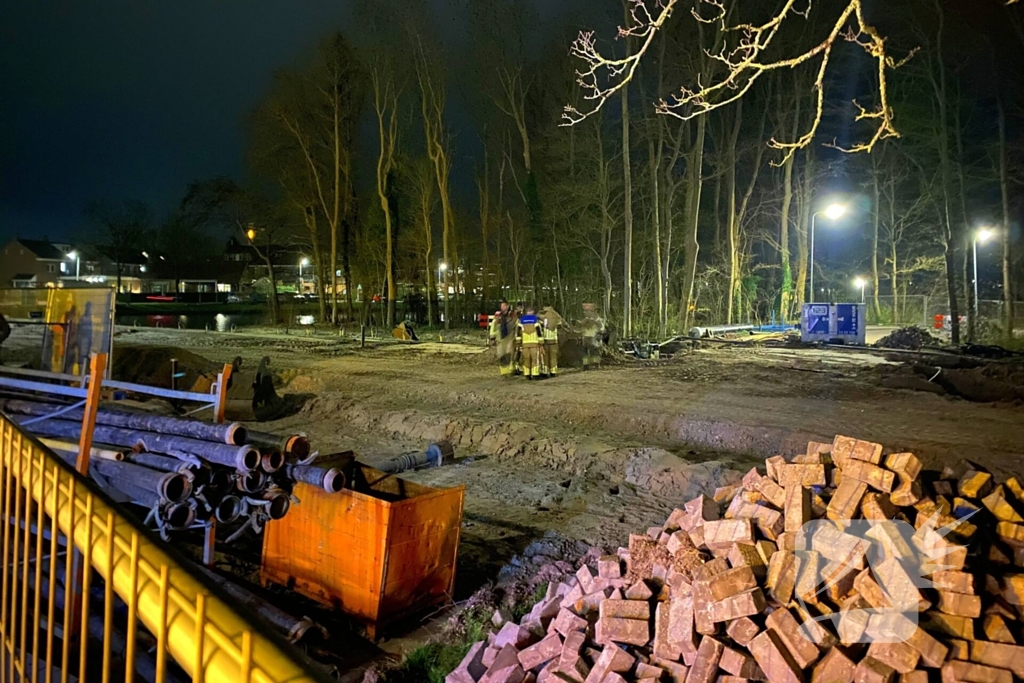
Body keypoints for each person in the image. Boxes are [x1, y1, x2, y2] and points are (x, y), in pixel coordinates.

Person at [489, 300, 518, 377]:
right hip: (500, 338)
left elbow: (517, 326)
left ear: (507, 306)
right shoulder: (498, 317)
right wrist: (492, 338)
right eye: (501, 306)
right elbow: (493, 327)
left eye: (504, 306)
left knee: (509, 354)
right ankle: (504, 372)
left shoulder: (513, 316)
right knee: (501, 355)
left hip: (510, 338)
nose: (502, 307)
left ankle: (510, 370)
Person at [517, 305, 542, 379]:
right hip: (534, 342)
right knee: (534, 359)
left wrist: (518, 341)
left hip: (525, 343)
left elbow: (518, 332)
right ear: (532, 312)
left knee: (526, 358)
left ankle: (527, 374)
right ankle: (535, 374)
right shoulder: (535, 319)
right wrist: (541, 341)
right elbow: (538, 331)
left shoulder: (521, 320)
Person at [539, 305, 562, 377]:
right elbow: (560, 325)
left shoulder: (542, 316)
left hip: (545, 339)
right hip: (554, 339)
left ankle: (545, 372)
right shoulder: (556, 316)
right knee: (553, 356)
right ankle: (553, 371)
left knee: (545, 356)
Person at [580, 303, 605, 370]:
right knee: (586, 351)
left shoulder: (597, 319)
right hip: (586, 337)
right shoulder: (585, 320)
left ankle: (596, 364)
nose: (585, 313)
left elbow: (601, 328)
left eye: (587, 311)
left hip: (593, 337)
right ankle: (586, 364)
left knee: (594, 351)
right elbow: (580, 327)